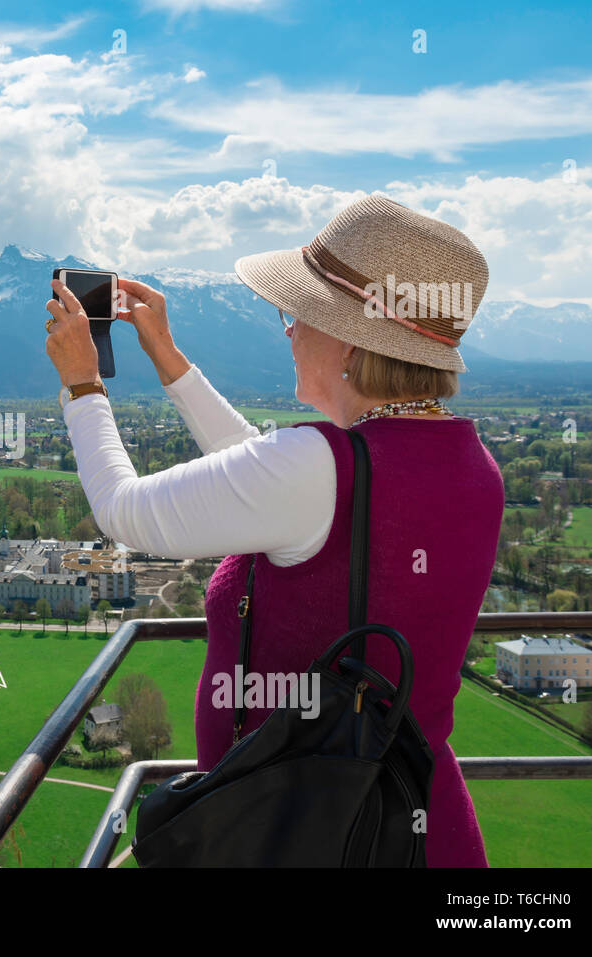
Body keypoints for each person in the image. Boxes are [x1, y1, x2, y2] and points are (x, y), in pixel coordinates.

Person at [44, 194, 504, 867]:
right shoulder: (472, 465)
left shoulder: (321, 467)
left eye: (298, 314)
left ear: (351, 339)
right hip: (418, 824)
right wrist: (170, 360)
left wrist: (82, 386)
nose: (288, 332)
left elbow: (125, 510)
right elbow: (271, 482)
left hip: (304, 829)